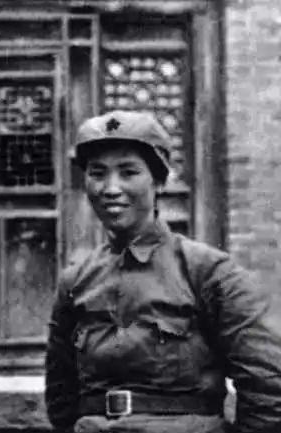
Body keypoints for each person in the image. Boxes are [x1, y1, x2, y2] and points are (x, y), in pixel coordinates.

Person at [45, 110, 281, 433]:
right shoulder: (76, 280)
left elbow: (267, 385)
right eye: (97, 173)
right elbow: (61, 397)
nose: (110, 188)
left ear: (158, 181)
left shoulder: (208, 272)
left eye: (128, 172)